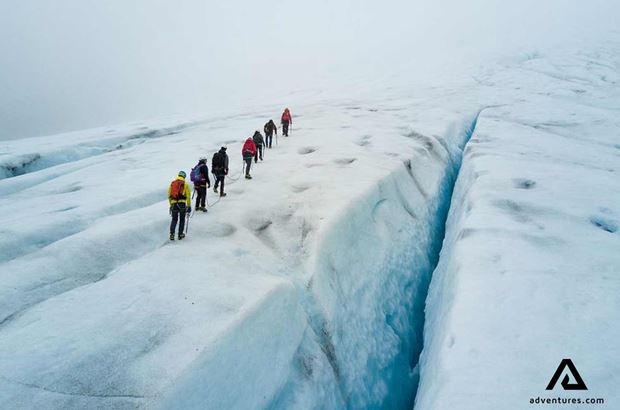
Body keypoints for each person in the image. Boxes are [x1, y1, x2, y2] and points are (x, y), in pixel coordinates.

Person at [168, 170, 192, 240]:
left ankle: (172, 234)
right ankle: (180, 234)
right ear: (184, 176)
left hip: (174, 204)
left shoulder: (172, 184)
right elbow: (188, 196)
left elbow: (169, 195)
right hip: (182, 204)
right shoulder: (185, 184)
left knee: (174, 219)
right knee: (182, 219)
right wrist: (189, 205)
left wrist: (171, 204)